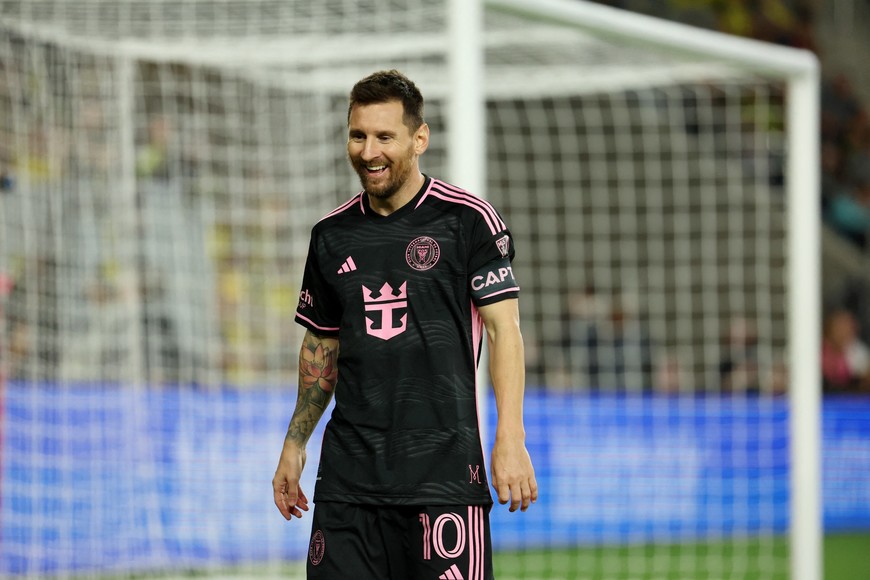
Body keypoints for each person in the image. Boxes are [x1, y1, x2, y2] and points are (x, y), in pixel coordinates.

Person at [271, 70, 537, 579]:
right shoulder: (330, 235)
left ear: (419, 139)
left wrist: (511, 436)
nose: (369, 151)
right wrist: (294, 442)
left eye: (384, 137)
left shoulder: (468, 220)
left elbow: (506, 331)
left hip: (443, 480)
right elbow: (321, 347)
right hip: (348, 484)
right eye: (358, 135)